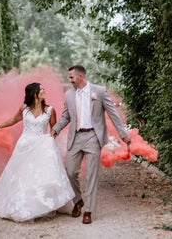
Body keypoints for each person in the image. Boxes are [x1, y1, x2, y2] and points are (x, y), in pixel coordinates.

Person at [0, 82, 75, 222]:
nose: (44, 91)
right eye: (41, 89)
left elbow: (54, 129)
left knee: (43, 175)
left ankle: (43, 203)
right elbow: (14, 119)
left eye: (44, 88)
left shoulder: (50, 110)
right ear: (34, 93)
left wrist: (52, 139)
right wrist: (0, 125)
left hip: (42, 146)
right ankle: (23, 204)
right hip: (25, 145)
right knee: (22, 175)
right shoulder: (24, 108)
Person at [51, 65, 131, 224]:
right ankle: (78, 200)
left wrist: (123, 134)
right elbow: (66, 116)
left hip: (93, 137)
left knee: (91, 175)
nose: (70, 80)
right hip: (76, 137)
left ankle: (88, 211)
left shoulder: (99, 91)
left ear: (80, 76)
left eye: (72, 78)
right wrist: (56, 129)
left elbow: (113, 114)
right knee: (70, 171)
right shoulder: (69, 95)